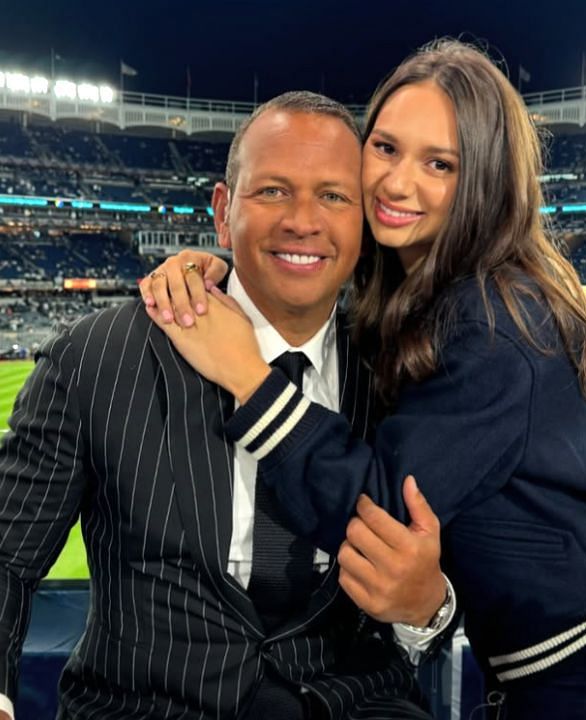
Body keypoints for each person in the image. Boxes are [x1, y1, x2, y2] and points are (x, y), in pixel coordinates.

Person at [141, 40, 586, 719]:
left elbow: (382, 520)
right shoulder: (430, 275)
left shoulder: (494, 319)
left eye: (440, 164)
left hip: (574, 666)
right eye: (387, 147)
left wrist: (248, 375)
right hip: (535, 648)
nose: (397, 183)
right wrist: (223, 266)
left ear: (482, 180)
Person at [0, 92, 449, 719]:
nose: (302, 220)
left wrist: (429, 607)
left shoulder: (404, 373)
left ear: (365, 221)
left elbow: (443, 595)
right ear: (221, 210)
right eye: (272, 191)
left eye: (334, 196)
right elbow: (7, 555)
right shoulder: (97, 356)